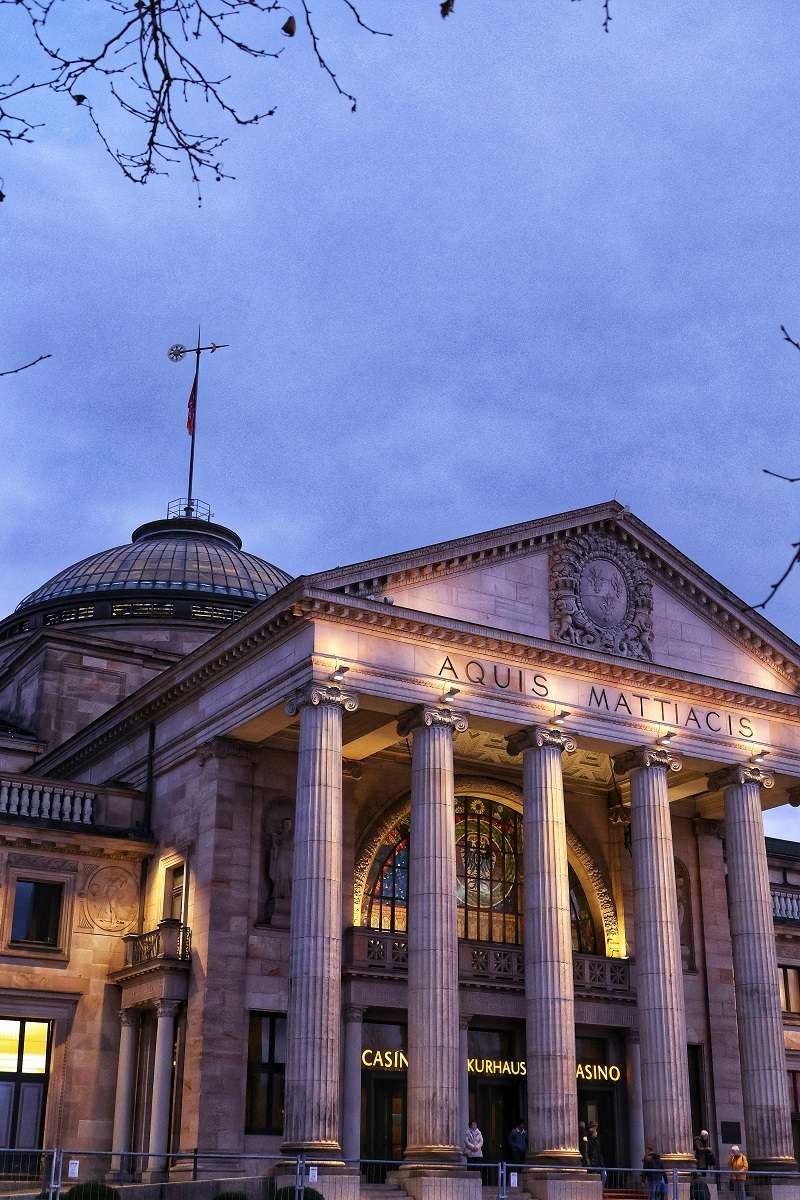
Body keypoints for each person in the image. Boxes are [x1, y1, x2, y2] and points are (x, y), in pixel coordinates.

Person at [585, 1123, 607, 1187]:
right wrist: (588, 1163)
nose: (596, 1131)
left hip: (600, 1164)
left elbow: (600, 1152)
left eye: (596, 1130)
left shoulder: (598, 1140)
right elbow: (586, 1152)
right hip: (592, 1164)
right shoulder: (588, 1140)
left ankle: (600, 1189)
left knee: (604, 1175)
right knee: (594, 1179)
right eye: (594, 1129)